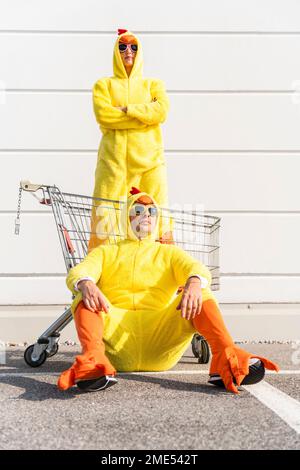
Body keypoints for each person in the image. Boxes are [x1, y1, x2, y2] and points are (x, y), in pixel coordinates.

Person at [57, 187, 280, 394]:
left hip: (161, 338)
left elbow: (195, 268)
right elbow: (81, 271)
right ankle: (93, 360)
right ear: (126, 217)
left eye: (151, 211)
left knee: (201, 292)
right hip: (116, 340)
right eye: (138, 210)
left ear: (157, 219)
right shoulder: (106, 252)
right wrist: (86, 283)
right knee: (84, 294)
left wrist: (193, 282)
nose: (146, 215)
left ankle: (226, 357)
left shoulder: (169, 253)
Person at [88, 28, 173, 251]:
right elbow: (104, 115)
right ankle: (100, 268)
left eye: (134, 47)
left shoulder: (153, 85)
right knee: (106, 215)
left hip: (149, 163)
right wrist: (145, 118)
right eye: (123, 46)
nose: (128, 51)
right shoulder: (103, 85)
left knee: (157, 212)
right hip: (113, 164)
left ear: (140, 51)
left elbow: (161, 111)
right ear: (116, 51)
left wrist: (127, 110)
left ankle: (165, 266)